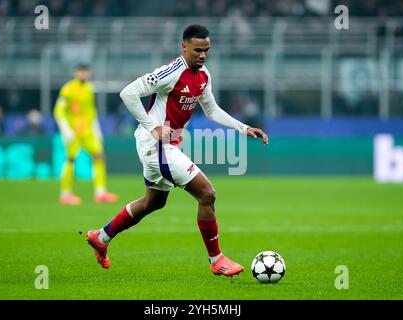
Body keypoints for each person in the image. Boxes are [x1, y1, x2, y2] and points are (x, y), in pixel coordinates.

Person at [86, 25, 268, 277]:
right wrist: (153, 127)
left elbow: (212, 109)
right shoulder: (171, 72)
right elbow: (128, 93)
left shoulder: (203, 75)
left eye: (207, 50)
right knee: (207, 194)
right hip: (157, 145)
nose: (203, 55)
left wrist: (244, 128)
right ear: (184, 47)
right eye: (197, 50)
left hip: (166, 144)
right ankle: (217, 260)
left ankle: (102, 236)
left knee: (153, 202)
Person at [54, 64, 119, 205]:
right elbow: (58, 110)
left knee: (99, 155)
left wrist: (96, 130)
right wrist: (65, 128)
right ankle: (65, 194)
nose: (83, 74)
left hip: (87, 131)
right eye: (81, 72)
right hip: (73, 130)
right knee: (71, 159)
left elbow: (91, 111)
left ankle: (100, 192)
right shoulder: (68, 89)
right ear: (76, 73)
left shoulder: (89, 89)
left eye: (85, 72)